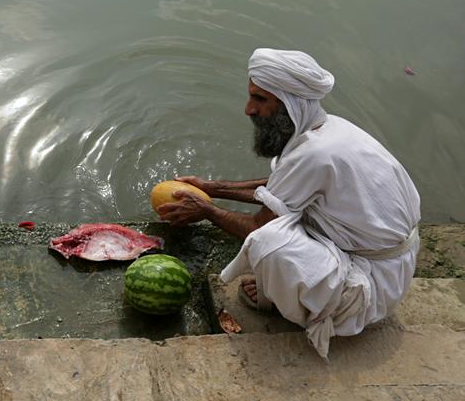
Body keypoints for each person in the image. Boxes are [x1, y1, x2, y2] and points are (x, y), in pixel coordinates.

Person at [157, 48, 420, 358]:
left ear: (290, 105)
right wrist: (211, 188)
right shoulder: (328, 129)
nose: (248, 109)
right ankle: (303, 288)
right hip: (391, 261)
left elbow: (258, 225)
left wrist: (205, 211)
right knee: (286, 220)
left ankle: (307, 305)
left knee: (270, 242)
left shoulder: (316, 153)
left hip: (372, 287)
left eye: (260, 100)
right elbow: (281, 184)